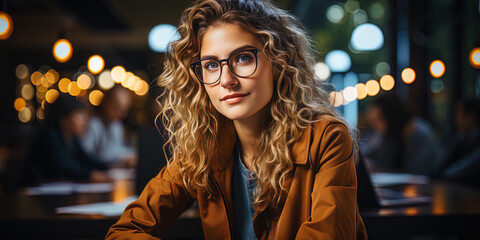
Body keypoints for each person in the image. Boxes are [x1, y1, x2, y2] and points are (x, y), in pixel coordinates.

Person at [107, 0, 367, 239]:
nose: (226, 79)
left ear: (278, 62)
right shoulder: (202, 148)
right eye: (211, 65)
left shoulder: (327, 138)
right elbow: (124, 231)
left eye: (242, 58)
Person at [27, 94, 109, 182]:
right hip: (32, 189)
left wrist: (110, 166)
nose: (84, 121)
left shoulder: (71, 136)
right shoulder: (49, 135)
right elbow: (63, 167)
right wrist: (90, 174)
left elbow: (87, 159)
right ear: (63, 119)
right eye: (78, 117)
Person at [361, 93, 440, 175]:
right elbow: (384, 161)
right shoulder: (393, 134)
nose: (377, 126)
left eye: (380, 119)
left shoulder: (419, 134)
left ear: (391, 115)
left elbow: (419, 172)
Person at [82, 85, 136, 167]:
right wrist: (122, 159)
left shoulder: (116, 125)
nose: (122, 114)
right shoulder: (93, 125)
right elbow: (85, 156)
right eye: (117, 107)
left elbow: (117, 149)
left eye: (124, 109)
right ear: (106, 103)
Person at [437, 98, 480, 187]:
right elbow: (445, 165)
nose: (456, 120)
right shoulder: (461, 138)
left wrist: (442, 177)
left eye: (458, 114)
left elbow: (469, 167)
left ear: (470, 117)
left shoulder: (473, 139)